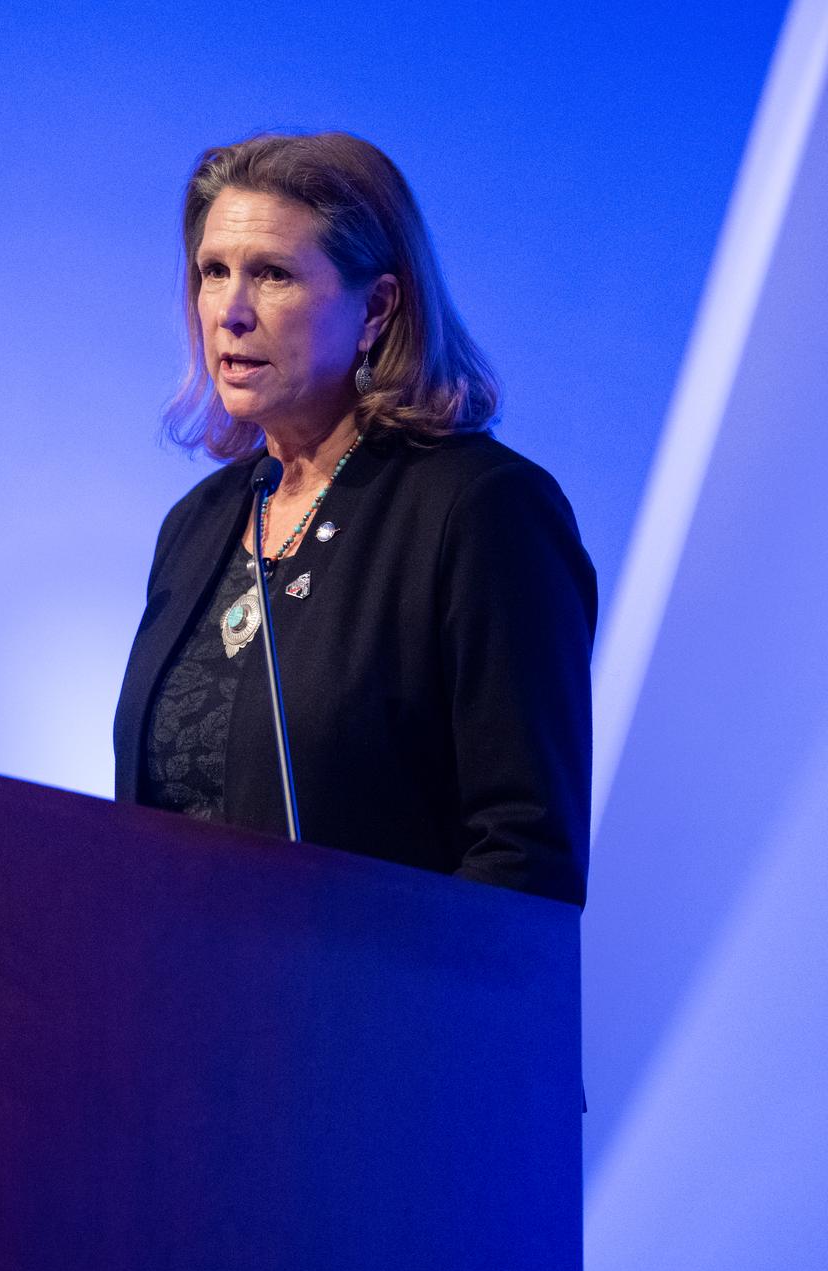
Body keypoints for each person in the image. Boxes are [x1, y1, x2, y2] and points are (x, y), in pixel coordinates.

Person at [112, 132, 595, 904]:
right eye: (214, 272)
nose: (231, 312)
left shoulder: (481, 511)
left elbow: (523, 850)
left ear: (375, 307)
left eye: (272, 274)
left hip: (374, 1014)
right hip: (177, 1011)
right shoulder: (197, 525)